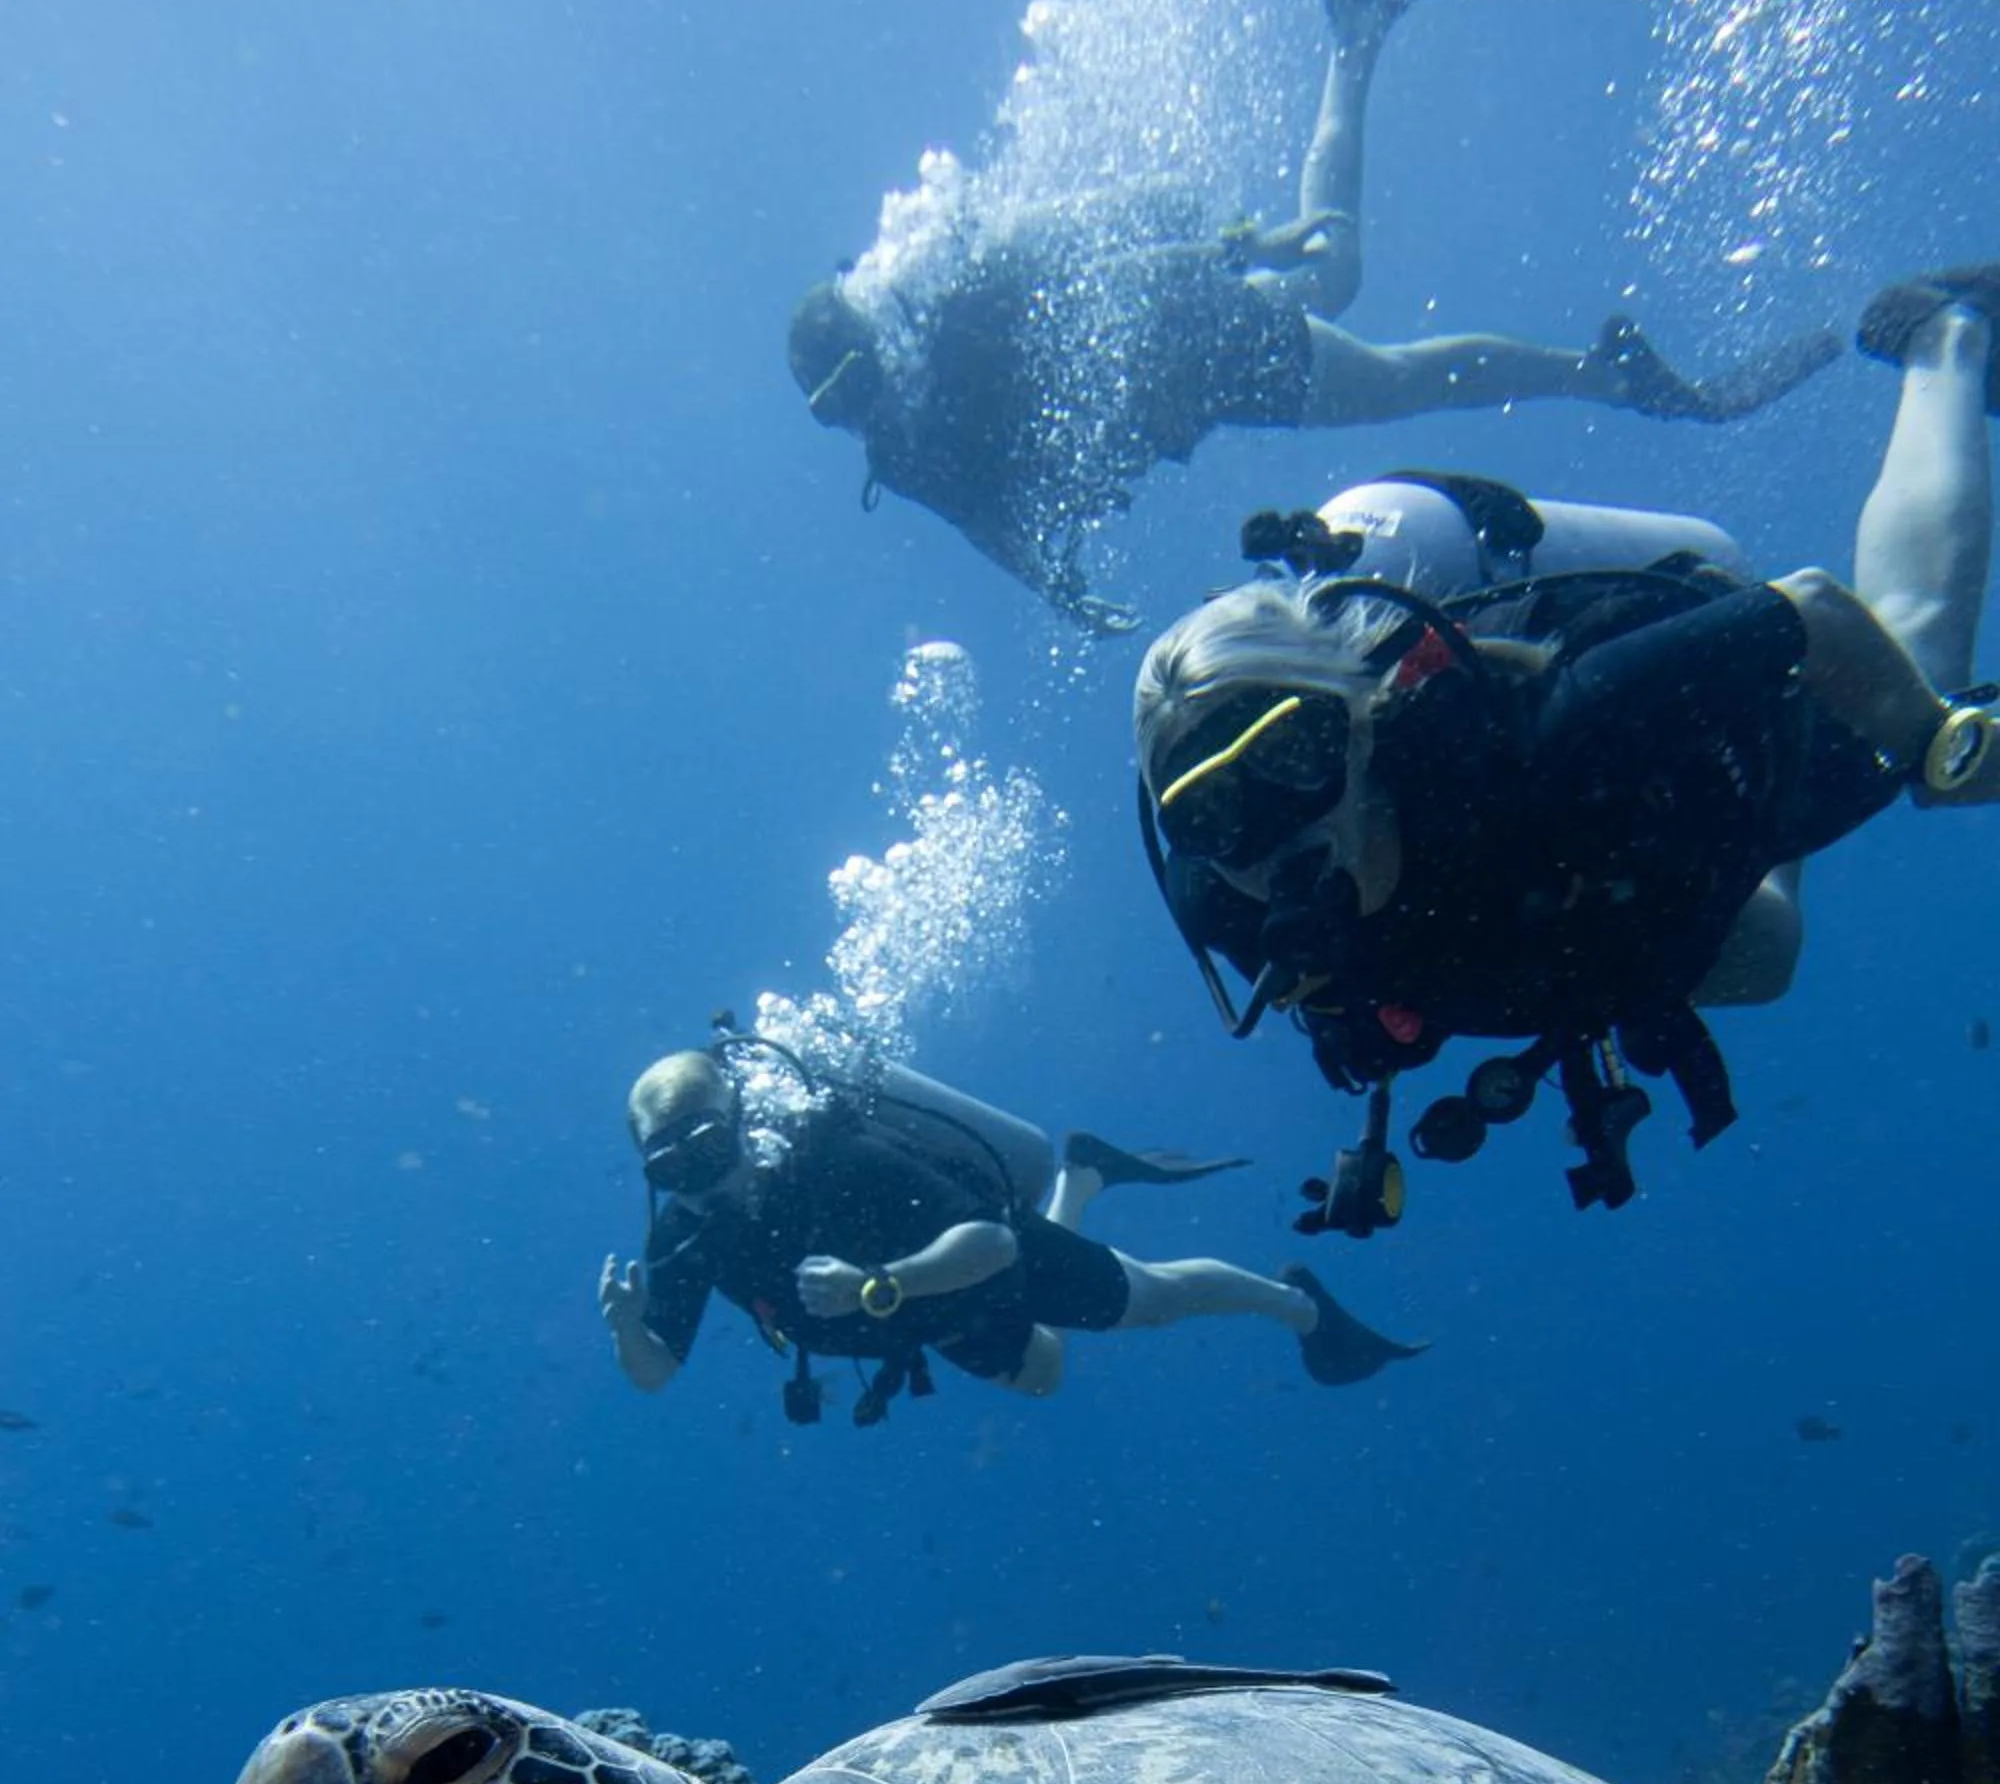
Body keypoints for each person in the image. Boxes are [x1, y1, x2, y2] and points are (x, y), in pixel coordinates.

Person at [1130, 263, 2000, 1229]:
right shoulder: (1223, 904)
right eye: (1214, 813)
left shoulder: (1558, 729)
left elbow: (1812, 610)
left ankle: (1947, 339)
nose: (1277, 830)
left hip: (1487, 567)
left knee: (1911, 660)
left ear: (1364, 725)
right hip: (1475, 786)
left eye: (1295, 756)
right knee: (1761, 957)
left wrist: (1930, 736)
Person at [787, 0, 1838, 630]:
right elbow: (986, 526)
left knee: (1365, 329)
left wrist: (1240, 245)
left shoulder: (962, 299)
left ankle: (1606, 372)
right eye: (841, 408)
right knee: (1342, 286)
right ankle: (1363, 23)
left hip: (1172, 334)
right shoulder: (905, 451)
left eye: (857, 385)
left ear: (880, 337)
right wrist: (1051, 586)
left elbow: (1086, 258)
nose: (865, 407)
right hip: (1169, 385)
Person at [597, 1041, 1423, 1425]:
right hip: (925, 1321)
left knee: (1161, 1299)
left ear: (741, 1121)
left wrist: (876, 1286)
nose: (696, 1176)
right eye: (670, 1165)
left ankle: (1303, 1310)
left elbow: (993, 1243)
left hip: (975, 1273)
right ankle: (1085, 1176)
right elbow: (656, 1372)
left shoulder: (837, 1155)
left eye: (707, 1146)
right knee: (1046, 1374)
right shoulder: (683, 1238)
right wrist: (630, 1328)